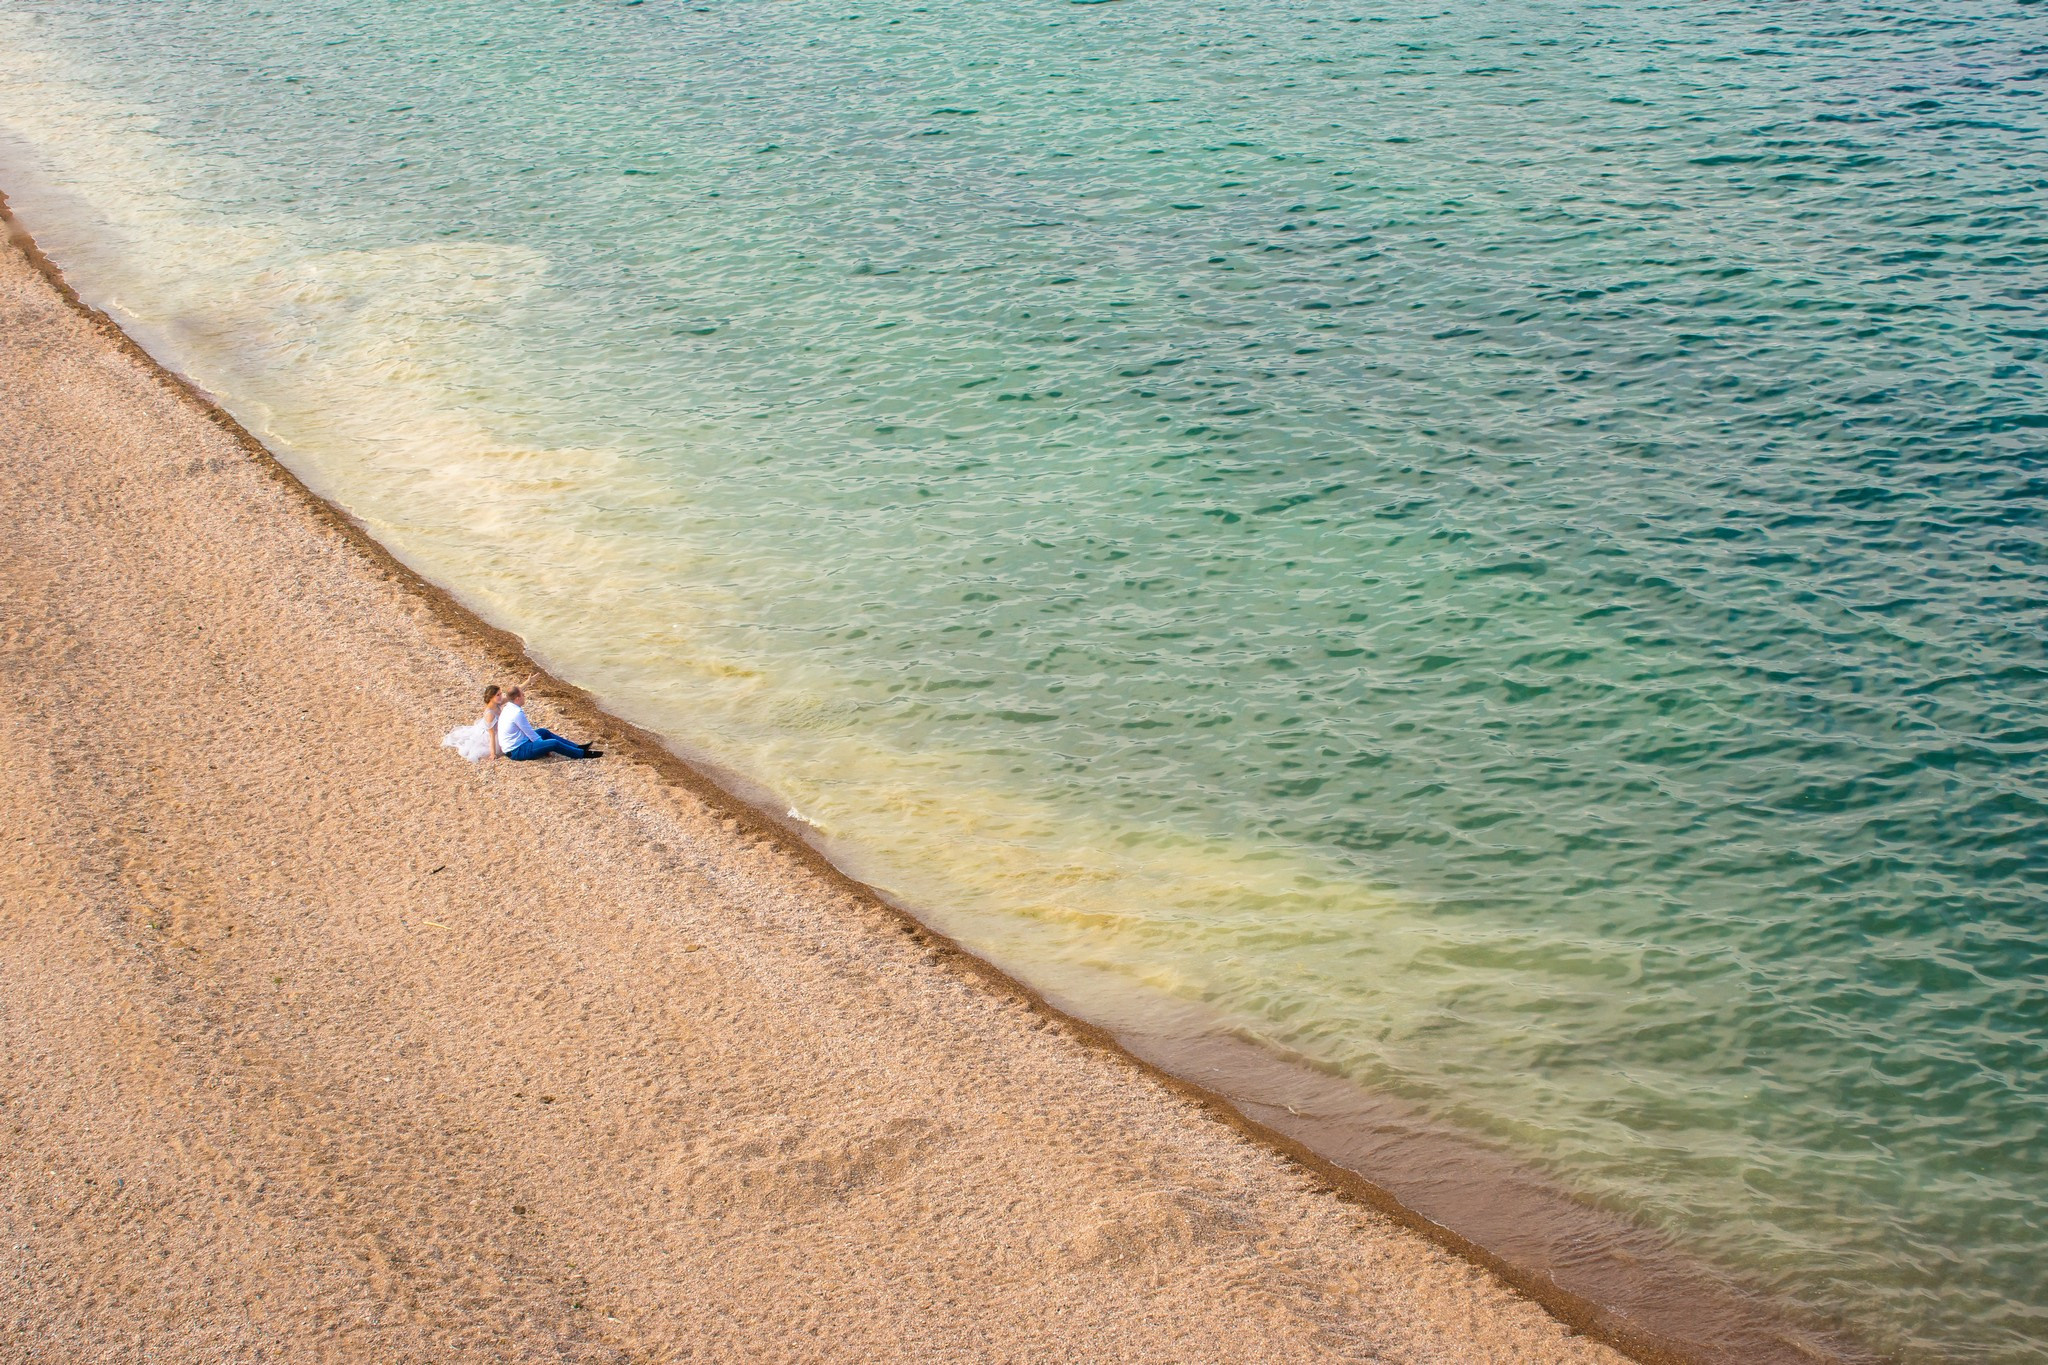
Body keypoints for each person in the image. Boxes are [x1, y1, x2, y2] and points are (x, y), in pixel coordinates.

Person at [495, 683, 601, 761]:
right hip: (516, 751)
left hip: (518, 743)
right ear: (517, 698)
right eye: (523, 695)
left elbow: (528, 733)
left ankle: (577, 747)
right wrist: (545, 747)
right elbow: (531, 734)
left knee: (543, 732)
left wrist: (542, 744)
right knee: (553, 743)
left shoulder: (509, 707)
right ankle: (581, 754)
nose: (524, 696)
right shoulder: (517, 713)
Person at [441, 684, 506, 763]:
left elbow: (513, 694)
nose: (500, 696)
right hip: (491, 736)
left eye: (501, 694)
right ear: (491, 697)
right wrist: (493, 753)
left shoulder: (498, 703)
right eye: (498, 695)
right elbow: (491, 734)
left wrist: (526, 681)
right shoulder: (490, 714)